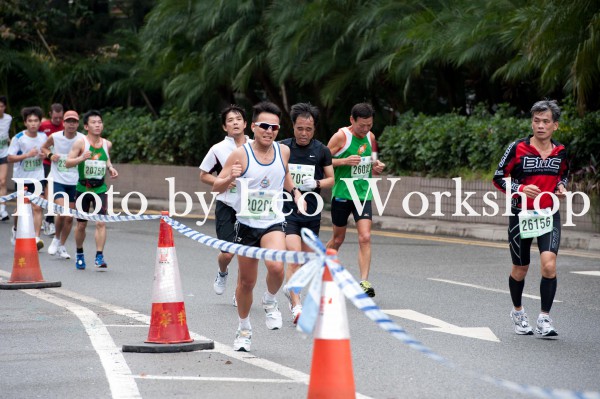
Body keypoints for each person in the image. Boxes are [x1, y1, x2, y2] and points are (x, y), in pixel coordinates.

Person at [213, 101, 302, 352]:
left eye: (274, 127)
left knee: (276, 266)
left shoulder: (283, 151)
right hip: (246, 223)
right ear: (253, 127)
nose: (269, 131)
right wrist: (231, 176)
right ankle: (244, 329)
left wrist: (295, 192)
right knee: (246, 283)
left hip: (272, 221)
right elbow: (216, 187)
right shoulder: (241, 154)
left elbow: (284, 175)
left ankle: (271, 301)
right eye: (264, 126)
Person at [493, 100, 568, 337]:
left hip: (548, 214)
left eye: (546, 121)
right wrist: (519, 188)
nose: (540, 126)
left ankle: (544, 318)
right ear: (532, 122)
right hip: (521, 215)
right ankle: (518, 312)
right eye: (536, 121)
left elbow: (563, 175)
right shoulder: (517, 148)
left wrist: (562, 188)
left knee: (549, 264)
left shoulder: (561, 151)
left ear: (555, 125)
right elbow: (497, 178)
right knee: (521, 267)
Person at [280, 102, 334, 323]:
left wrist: (317, 183)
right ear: (293, 126)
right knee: (294, 258)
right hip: (288, 210)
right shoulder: (282, 148)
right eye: (300, 128)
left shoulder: (321, 150)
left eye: (308, 129)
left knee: (303, 262)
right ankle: (296, 305)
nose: (304, 133)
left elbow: (332, 179)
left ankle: (291, 289)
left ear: (314, 129)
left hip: (312, 212)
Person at [325, 103, 385, 297]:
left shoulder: (371, 137)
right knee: (338, 238)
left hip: (363, 194)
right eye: (362, 126)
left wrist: (376, 166)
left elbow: (373, 161)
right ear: (352, 120)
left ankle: (364, 281)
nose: (366, 129)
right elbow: (322, 159)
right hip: (342, 193)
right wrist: (344, 161)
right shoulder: (341, 136)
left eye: (369, 125)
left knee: (365, 237)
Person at [199, 105, 251, 297]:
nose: (235, 122)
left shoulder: (256, 146)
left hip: (249, 206)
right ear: (224, 127)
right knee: (228, 253)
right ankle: (222, 272)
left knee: (245, 254)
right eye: (230, 120)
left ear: (246, 124)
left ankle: (241, 293)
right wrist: (221, 181)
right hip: (227, 205)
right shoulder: (218, 149)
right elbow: (204, 175)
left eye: (238, 119)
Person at [66, 110, 118, 270]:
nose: (97, 125)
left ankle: (99, 255)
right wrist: (81, 158)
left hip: (100, 189)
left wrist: (110, 168)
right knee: (81, 225)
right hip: (83, 188)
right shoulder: (81, 143)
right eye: (94, 123)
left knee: (101, 222)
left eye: (99, 122)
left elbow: (106, 158)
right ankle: (80, 253)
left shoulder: (107, 143)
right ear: (86, 126)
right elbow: (67, 163)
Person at [41, 110, 85, 259]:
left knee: (69, 217)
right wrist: (50, 155)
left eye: (74, 122)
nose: (71, 124)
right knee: (63, 212)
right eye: (68, 121)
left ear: (78, 124)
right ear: (64, 123)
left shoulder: (82, 139)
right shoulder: (55, 137)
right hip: (57, 180)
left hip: (74, 181)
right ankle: (56, 239)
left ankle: (61, 245)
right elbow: (44, 147)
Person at [7, 106, 47, 250]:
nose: (33, 124)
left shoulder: (43, 137)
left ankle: (36, 238)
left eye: (36, 120)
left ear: (40, 122)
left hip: (38, 178)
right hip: (21, 179)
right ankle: (16, 229)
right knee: (21, 209)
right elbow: (10, 157)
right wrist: (27, 155)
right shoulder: (18, 138)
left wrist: (44, 155)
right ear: (25, 123)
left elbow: (48, 152)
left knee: (37, 207)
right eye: (30, 121)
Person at [39, 103, 64, 236]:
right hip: (46, 162)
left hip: (61, 165)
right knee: (47, 191)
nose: (58, 120)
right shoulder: (43, 126)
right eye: (55, 118)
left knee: (54, 192)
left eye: (60, 117)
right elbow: (35, 139)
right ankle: (48, 220)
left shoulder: (66, 126)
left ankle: (49, 220)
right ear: (50, 115)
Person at [0, 95, 13, 221]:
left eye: (2, 106)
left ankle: (2, 210)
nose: (0, 108)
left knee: (3, 181)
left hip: (3, 153)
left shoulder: (8, 118)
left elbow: (6, 132)